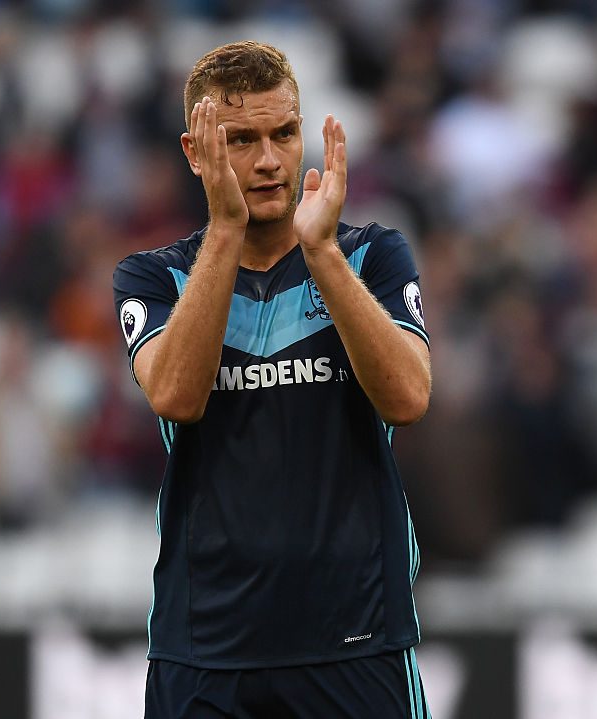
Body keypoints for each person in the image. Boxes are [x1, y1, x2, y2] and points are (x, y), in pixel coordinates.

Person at [112, 41, 433, 718]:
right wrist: (225, 231)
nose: (267, 160)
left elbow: (408, 397)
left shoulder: (371, 254)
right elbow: (175, 394)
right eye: (240, 139)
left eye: (284, 133)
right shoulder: (152, 277)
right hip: (205, 649)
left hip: (357, 637)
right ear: (196, 152)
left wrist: (322, 256)